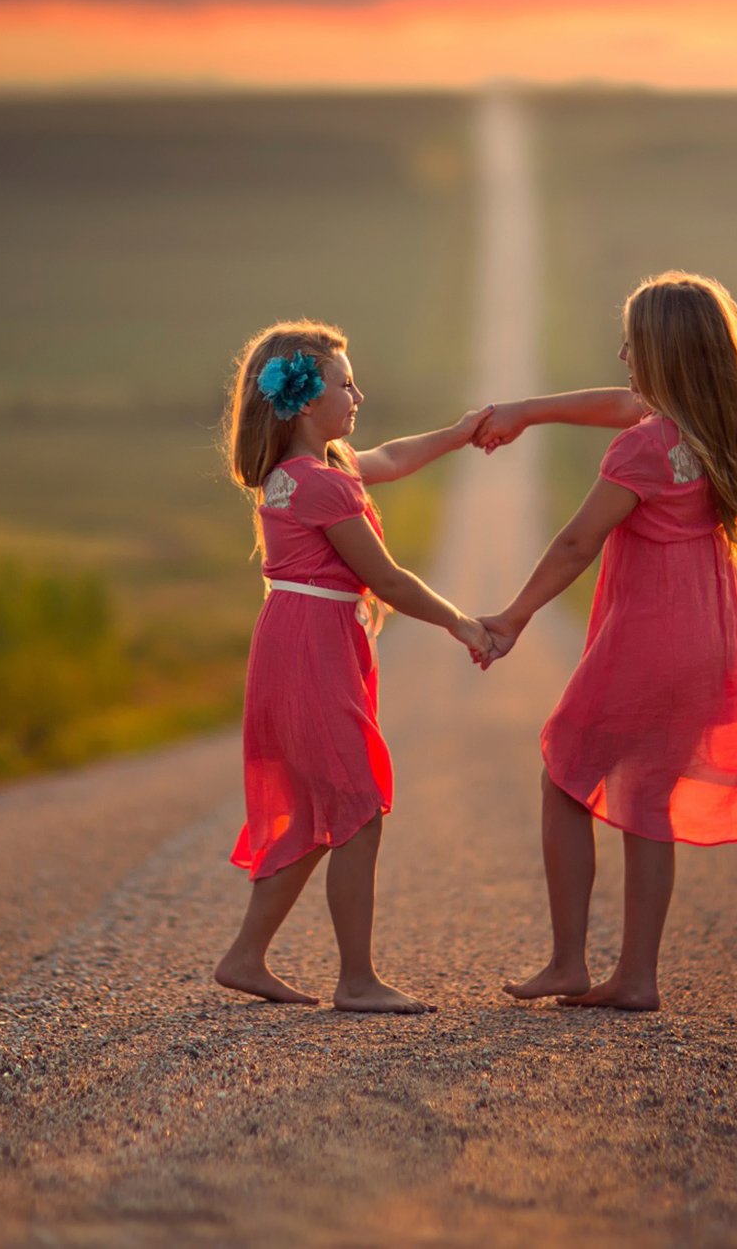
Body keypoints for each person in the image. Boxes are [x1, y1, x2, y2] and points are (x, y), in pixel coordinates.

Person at [477, 272, 737, 1010]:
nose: (622, 354)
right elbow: (624, 404)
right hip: (710, 640)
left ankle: (567, 961)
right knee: (649, 801)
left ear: (661, 355)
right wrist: (527, 411)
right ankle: (639, 976)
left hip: (649, 641)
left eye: (633, 343)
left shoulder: (641, 451)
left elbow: (576, 541)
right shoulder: (718, 430)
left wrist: (515, 616)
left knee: (565, 774)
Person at [215, 320, 493, 1013]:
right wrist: (464, 622)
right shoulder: (323, 486)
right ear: (308, 402)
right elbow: (390, 579)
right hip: (313, 644)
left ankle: (246, 956)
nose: (358, 393)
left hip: (296, 636)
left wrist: (458, 433)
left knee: (326, 804)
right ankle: (357, 979)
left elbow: (393, 457)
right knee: (359, 804)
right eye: (345, 383)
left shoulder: (301, 474)